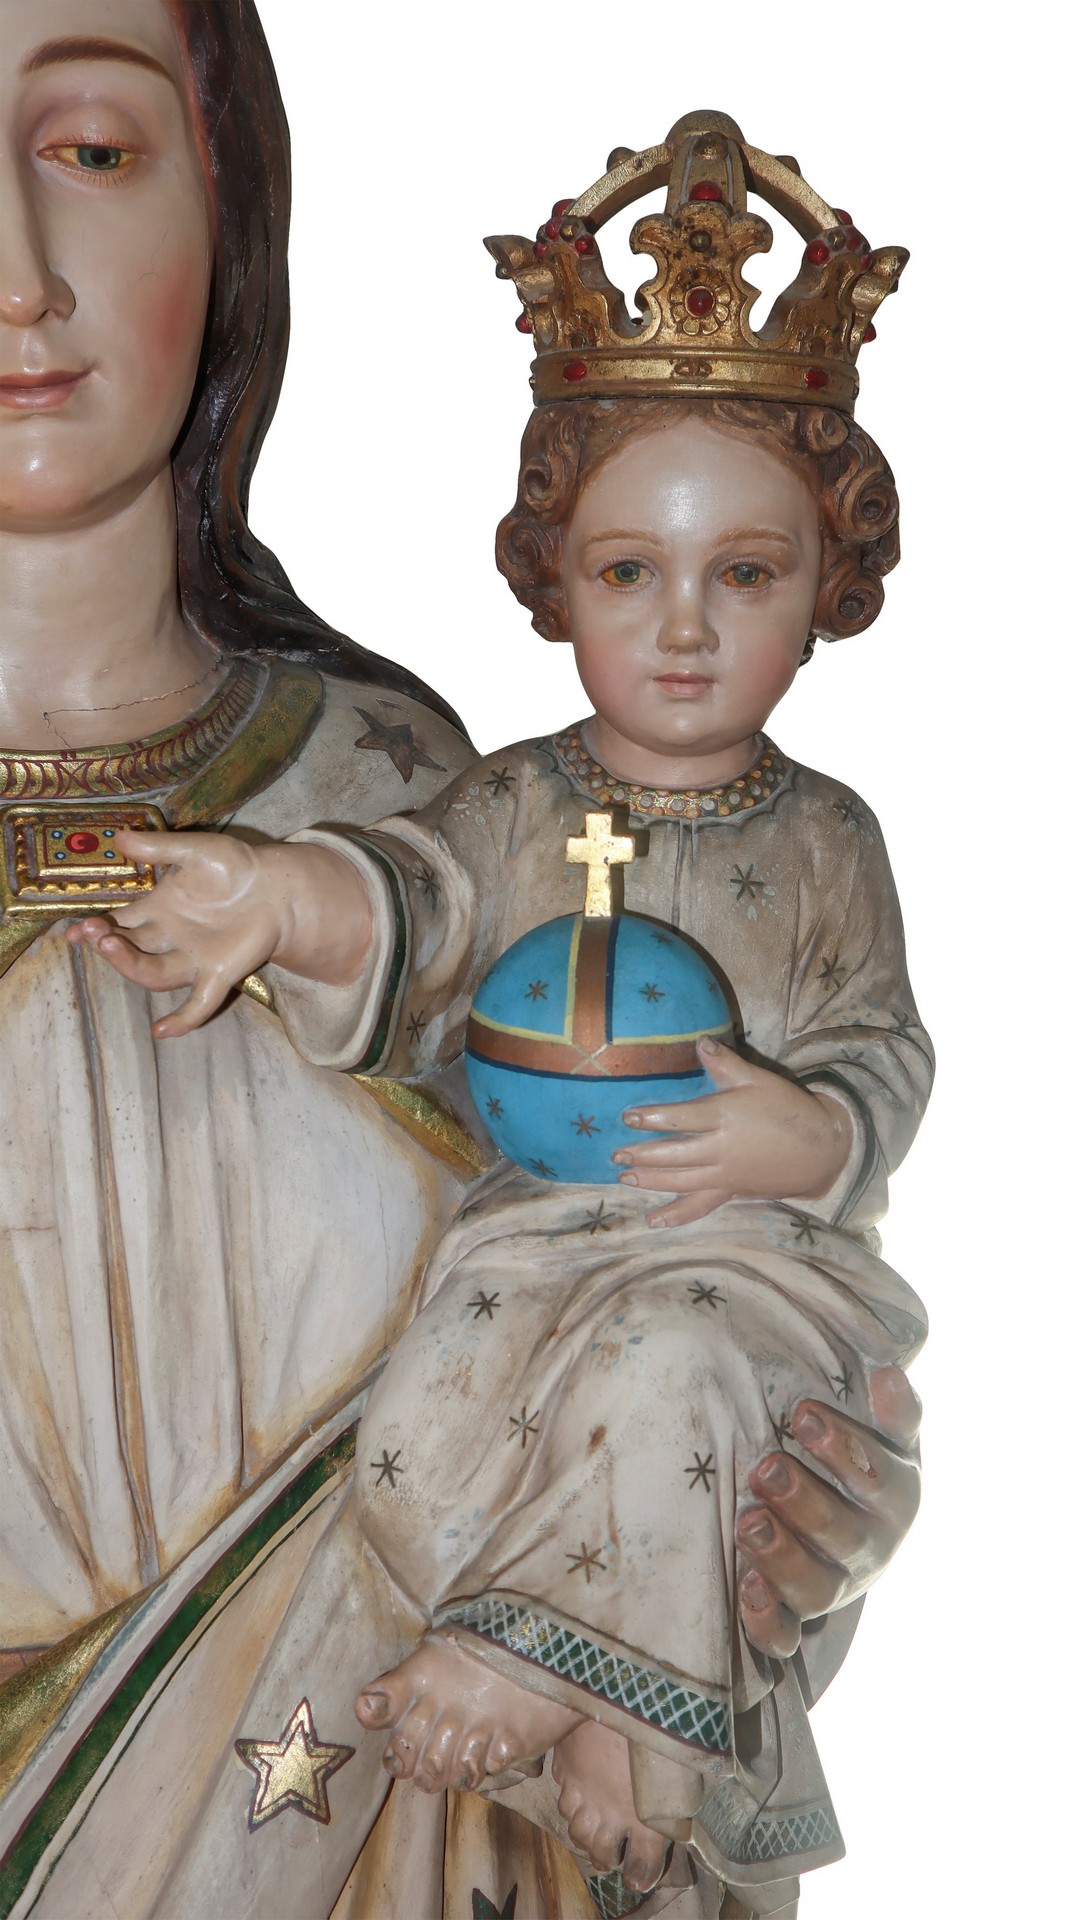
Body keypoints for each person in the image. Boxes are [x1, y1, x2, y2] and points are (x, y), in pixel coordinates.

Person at [0, 25, 921, 1915]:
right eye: (632, 572)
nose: (12, 268)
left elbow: (696, 1283)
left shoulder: (411, 805)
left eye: (88, 148)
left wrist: (777, 1532)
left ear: (231, 215)